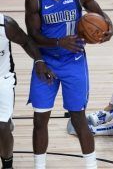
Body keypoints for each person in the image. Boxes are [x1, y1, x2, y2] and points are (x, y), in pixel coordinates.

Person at [24, 0, 113, 168]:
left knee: (78, 119)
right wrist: (57, 43)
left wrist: (109, 26)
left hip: (73, 62)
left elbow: (100, 15)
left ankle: (91, 166)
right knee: (40, 120)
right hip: (46, 62)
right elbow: (32, 36)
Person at [0, 13, 53, 169]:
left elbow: (26, 41)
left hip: (2, 79)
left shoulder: (5, 24)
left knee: (1, 127)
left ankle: (8, 165)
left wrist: (39, 60)